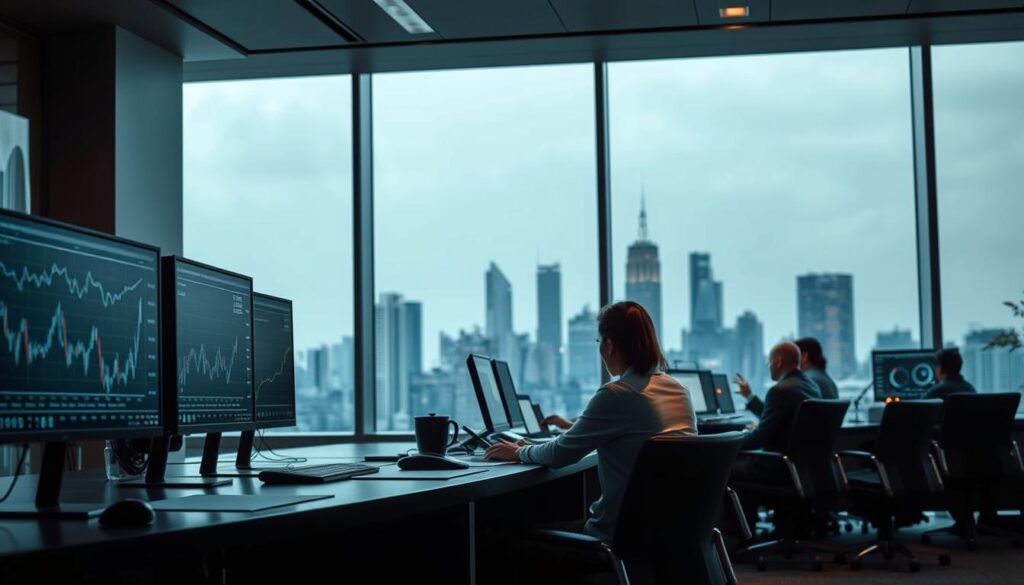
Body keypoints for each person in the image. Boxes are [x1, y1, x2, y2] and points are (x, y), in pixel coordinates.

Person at [485, 300, 697, 543]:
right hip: (669, 530)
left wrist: (520, 451)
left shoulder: (618, 393)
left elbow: (558, 454)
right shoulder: (679, 390)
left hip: (617, 536)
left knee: (503, 538)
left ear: (609, 344)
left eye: (599, 342)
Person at [733, 342, 821, 451]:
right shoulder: (812, 386)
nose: (768, 366)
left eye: (769, 362)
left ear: (779, 362)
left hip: (777, 463)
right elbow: (777, 417)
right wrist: (749, 395)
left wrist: (730, 441)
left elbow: (758, 439)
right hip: (803, 462)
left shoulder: (780, 391)